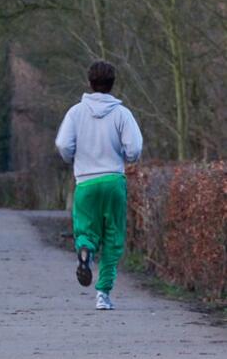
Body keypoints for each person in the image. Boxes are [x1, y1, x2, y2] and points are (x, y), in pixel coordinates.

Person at [55, 60, 142, 311]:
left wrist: (72, 156)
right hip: (114, 180)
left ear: (89, 83)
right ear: (113, 84)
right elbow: (134, 147)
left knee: (85, 229)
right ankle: (103, 294)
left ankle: (85, 250)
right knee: (113, 236)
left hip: (86, 181)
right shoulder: (122, 114)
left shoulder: (75, 112)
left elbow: (63, 144)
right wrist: (128, 157)